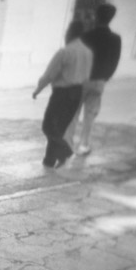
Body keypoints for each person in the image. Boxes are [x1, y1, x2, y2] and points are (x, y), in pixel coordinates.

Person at [32, 20, 93, 168]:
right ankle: (49, 160)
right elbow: (86, 76)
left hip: (62, 93)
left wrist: (38, 90)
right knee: (59, 128)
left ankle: (66, 152)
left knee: (48, 126)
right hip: (77, 93)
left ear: (70, 33)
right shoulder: (88, 52)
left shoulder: (65, 52)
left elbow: (49, 75)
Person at [66, 3, 122, 156]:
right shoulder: (115, 39)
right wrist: (105, 77)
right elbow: (114, 61)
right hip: (99, 81)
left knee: (74, 113)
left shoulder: (86, 36)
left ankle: (68, 144)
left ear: (97, 16)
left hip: (81, 80)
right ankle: (83, 145)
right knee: (90, 114)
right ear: (111, 18)